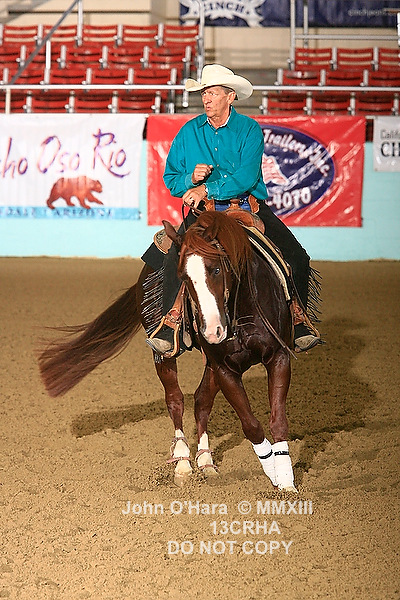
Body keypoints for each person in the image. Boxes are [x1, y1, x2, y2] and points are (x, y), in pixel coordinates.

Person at [143, 64, 321, 356]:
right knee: (174, 256)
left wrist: (206, 189)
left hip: (247, 208)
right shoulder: (188, 132)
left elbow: (246, 177)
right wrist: (190, 179)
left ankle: (298, 319)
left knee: (297, 257)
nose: (206, 98)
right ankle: (171, 323)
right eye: (204, 93)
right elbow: (171, 178)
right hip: (205, 213)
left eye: (213, 93)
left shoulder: (249, 129)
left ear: (230, 96)